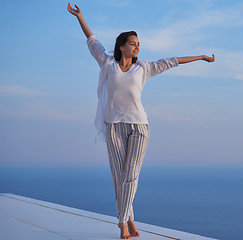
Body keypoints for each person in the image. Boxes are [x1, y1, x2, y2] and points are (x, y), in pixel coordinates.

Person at [67, 3, 215, 239]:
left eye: (138, 44)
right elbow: (92, 39)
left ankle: (122, 223)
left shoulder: (144, 68)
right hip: (114, 127)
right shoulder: (108, 64)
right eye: (133, 43)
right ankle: (131, 220)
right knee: (119, 177)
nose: (137, 47)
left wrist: (201, 57)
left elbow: (172, 60)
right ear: (121, 46)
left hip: (139, 127)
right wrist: (80, 17)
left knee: (131, 175)